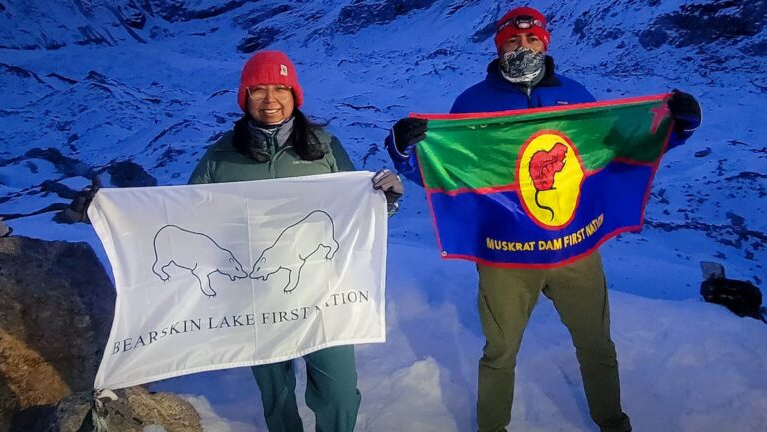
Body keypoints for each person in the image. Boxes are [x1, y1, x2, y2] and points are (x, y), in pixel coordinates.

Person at [386, 6, 701, 432]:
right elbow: (449, 173)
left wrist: (674, 128)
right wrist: (405, 153)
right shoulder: (473, 103)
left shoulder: (576, 97)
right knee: (500, 354)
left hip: (575, 250)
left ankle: (613, 423)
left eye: (532, 40)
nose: (523, 47)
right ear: (499, 48)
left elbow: (617, 152)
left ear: (545, 44)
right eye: (513, 41)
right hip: (506, 257)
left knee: (597, 346)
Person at [188, 50, 402, 432]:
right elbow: (185, 216)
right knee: (276, 393)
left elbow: (356, 211)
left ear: (295, 94)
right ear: (245, 97)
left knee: (338, 392)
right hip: (257, 298)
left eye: (280, 89)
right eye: (258, 91)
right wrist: (108, 210)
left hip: (325, 294)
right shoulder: (220, 156)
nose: (270, 100)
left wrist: (385, 200)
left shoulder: (325, 147)